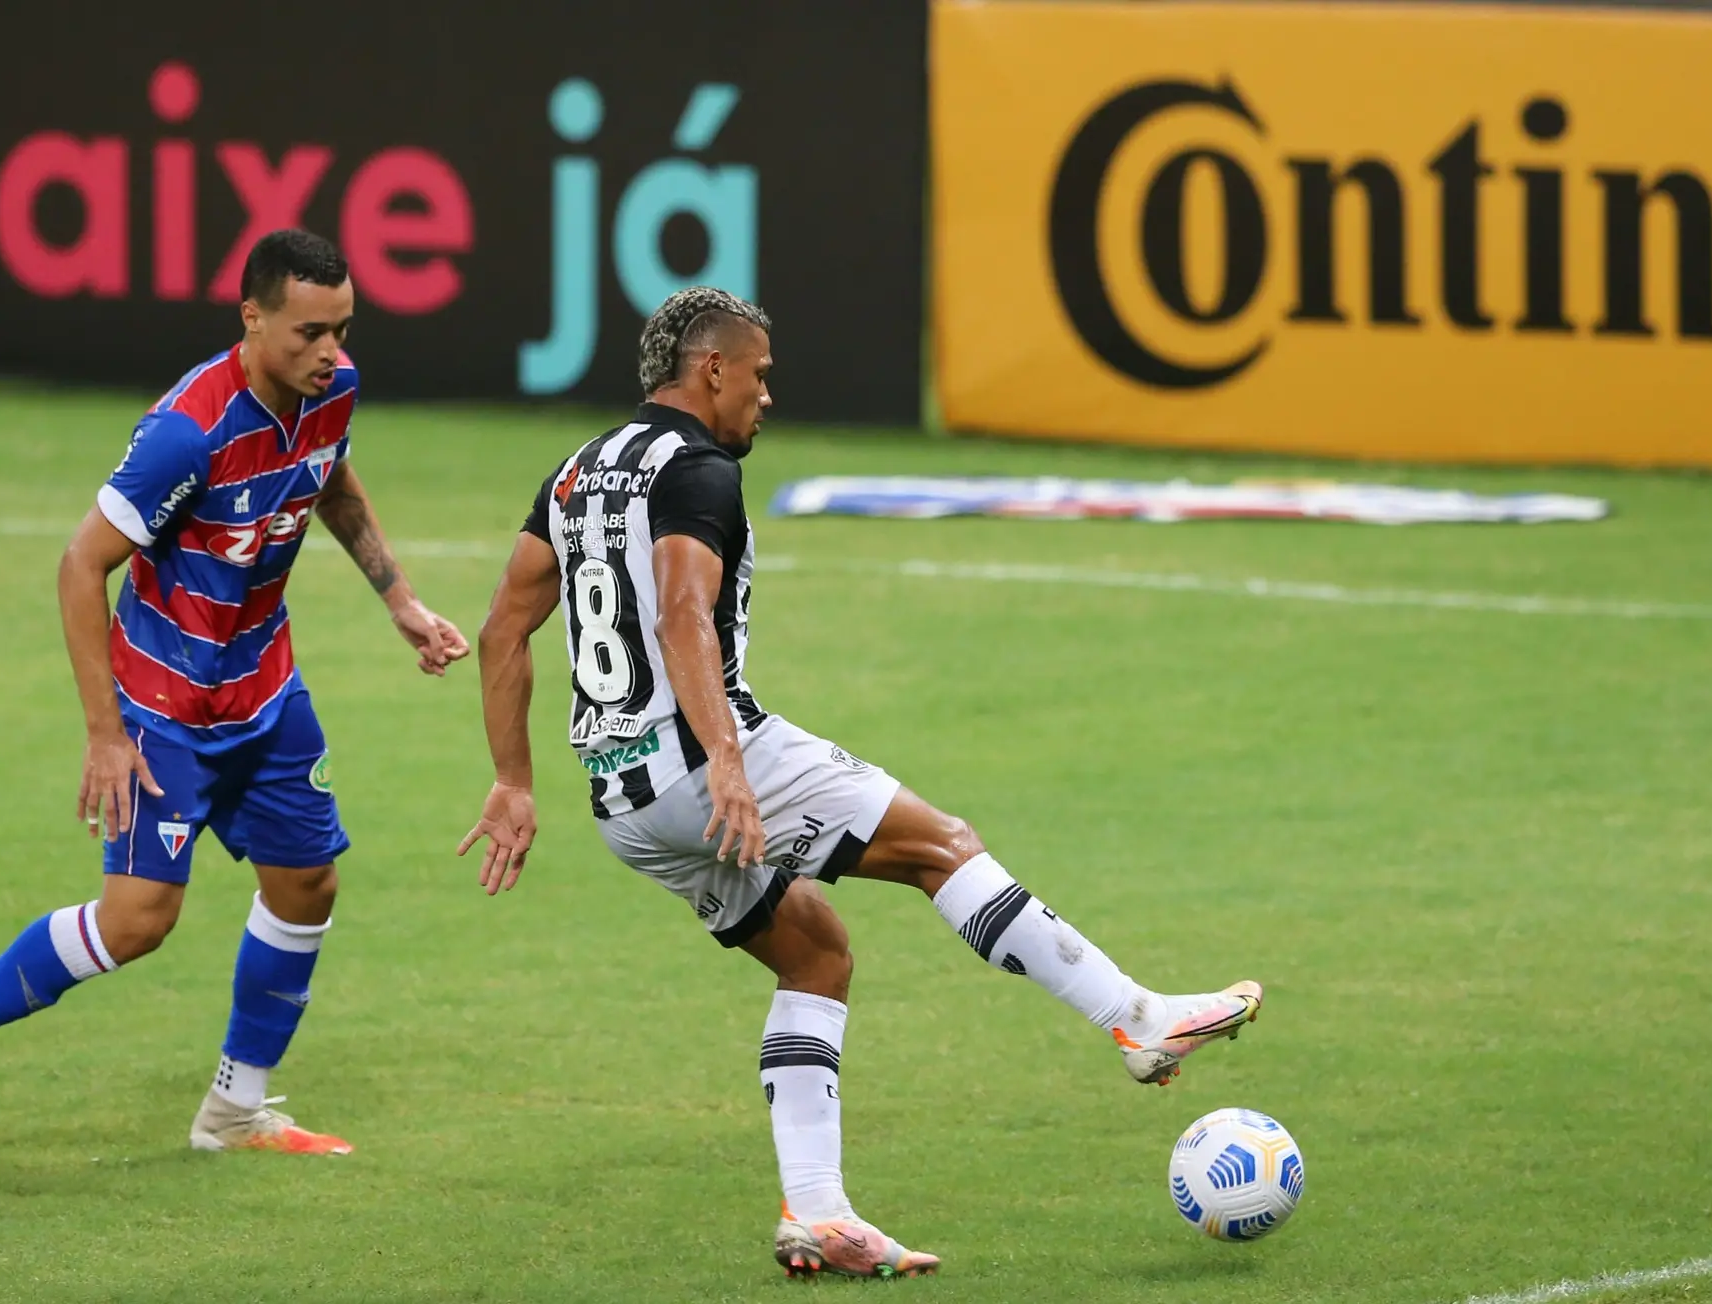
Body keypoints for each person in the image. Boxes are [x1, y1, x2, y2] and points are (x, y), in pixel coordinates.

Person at [458, 286, 1262, 1279]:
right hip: (708, 758)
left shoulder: (575, 471)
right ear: (710, 368)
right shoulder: (700, 470)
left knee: (815, 951)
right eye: (758, 375)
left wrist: (511, 778)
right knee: (942, 845)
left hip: (622, 799)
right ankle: (1133, 1017)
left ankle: (818, 1213)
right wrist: (728, 767)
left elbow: (503, 626)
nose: (764, 397)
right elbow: (679, 613)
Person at [0, 229, 470, 1164]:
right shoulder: (185, 433)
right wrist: (105, 734)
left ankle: (235, 1109)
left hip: (265, 690)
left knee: (307, 882)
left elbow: (332, 483)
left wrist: (398, 598)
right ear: (253, 318)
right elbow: (81, 567)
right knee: (138, 921)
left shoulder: (334, 390)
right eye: (309, 332)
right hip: (163, 707)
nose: (330, 351)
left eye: (343, 329)